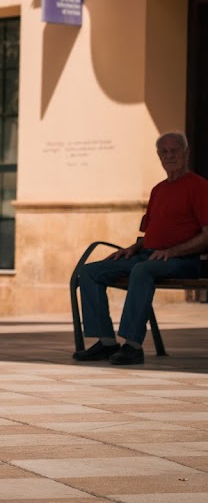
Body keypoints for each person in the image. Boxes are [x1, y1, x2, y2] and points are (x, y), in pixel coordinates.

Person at [74, 132, 208, 366]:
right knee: (88, 271)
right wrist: (132, 248)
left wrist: (172, 252)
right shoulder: (158, 190)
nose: (169, 156)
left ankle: (133, 346)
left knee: (142, 271)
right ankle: (106, 342)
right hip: (148, 255)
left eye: (174, 150)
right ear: (158, 156)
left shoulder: (199, 186)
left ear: (186, 153)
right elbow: (151, 233)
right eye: (164, 152)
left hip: (184, 260)